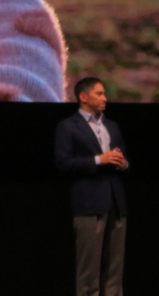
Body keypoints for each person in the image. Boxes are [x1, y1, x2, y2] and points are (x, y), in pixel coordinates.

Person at [54, 77, 129, 296]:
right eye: (99, 94)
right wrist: (98, 160)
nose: (105, 98)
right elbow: (63, 163)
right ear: (83, 97)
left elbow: (125, 160)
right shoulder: (68, 126)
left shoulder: (111, 126)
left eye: (104, 94)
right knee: (89, 269)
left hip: (116, 201)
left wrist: (123, 163)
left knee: (114, 268)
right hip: (89, 203)